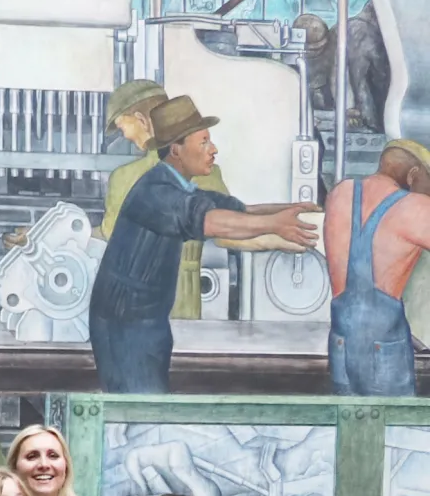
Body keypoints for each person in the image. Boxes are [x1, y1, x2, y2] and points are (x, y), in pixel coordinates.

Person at [90, 96, 317, 392]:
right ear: (176, 151)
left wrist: (291, 209)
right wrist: (275, 225)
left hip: (146, 319)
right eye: (204, 143)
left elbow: (240, 211)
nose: (214, 150)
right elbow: (209, 221)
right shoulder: (156, 193)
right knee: (142, 411)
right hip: (126, 325)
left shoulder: (180, 186)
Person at [101, 80, 234, 337]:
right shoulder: (207, 172)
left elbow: (109, 236)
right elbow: (230, 230)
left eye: (123, 126)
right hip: (186, 299)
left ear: (141, 120)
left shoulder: (124, 178)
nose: (125, 135)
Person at [321, 138, 430, 394]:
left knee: (349, 426)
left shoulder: (340, 193)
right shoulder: (414, 207)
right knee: (393, 428)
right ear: (413, 175)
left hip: (341, 342)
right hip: (385, 347)